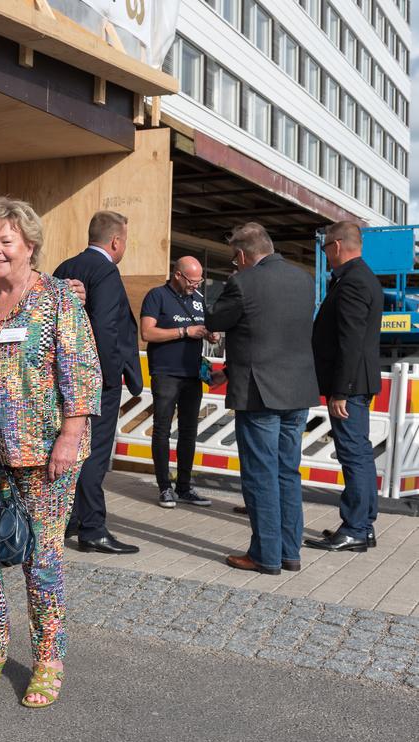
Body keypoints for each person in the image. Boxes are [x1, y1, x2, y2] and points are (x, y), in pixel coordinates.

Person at [0, 197, 101, 707]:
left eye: (6, 241)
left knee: (41, 560)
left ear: (30, 246)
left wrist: (70, 437)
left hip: (45, 455)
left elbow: (82, 373)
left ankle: (48, 661)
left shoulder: (58, 299)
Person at [208, 223, 319, 575]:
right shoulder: (304, 280)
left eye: (234, 259)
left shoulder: (243, 282)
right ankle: (289, 552)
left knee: (260, 475)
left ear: (242, 256)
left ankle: (265, 555)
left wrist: (230, 284)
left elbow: (215, 318)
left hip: (259, 392)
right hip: (298, 390)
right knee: (287, 472)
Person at [53, 211, 143, 554]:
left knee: (72, 449)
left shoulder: (65, 266)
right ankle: (93, 528)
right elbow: (105, 326)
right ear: (116, 241)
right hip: (96, 379)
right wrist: (106, 376)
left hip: (66, 375)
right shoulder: (105, 270)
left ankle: (70, 519)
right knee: (94, 453)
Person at [305, 221, 383, 553]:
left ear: (336, 245)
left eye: (325, 247)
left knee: (353, 455)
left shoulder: (352, 282)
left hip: (350, 385)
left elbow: (350, 341)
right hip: (357, 381)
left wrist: (341, 390)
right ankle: (363, 526)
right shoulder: (362, 277)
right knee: (360, 453)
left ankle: (355, 528)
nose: (325, 253)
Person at [139, 256, 220, 509]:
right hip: (166, 373)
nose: (195, 286)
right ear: (177, 275)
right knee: (162, 429)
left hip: (192, 374)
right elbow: (147, 332)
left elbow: (205, 326)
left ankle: (184, 487)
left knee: (188, 431)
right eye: (191, 281)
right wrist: (184, 332)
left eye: (199, 281)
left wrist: (211, 334)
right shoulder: (157, 296)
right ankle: (164, 487)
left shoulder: (198, 298)